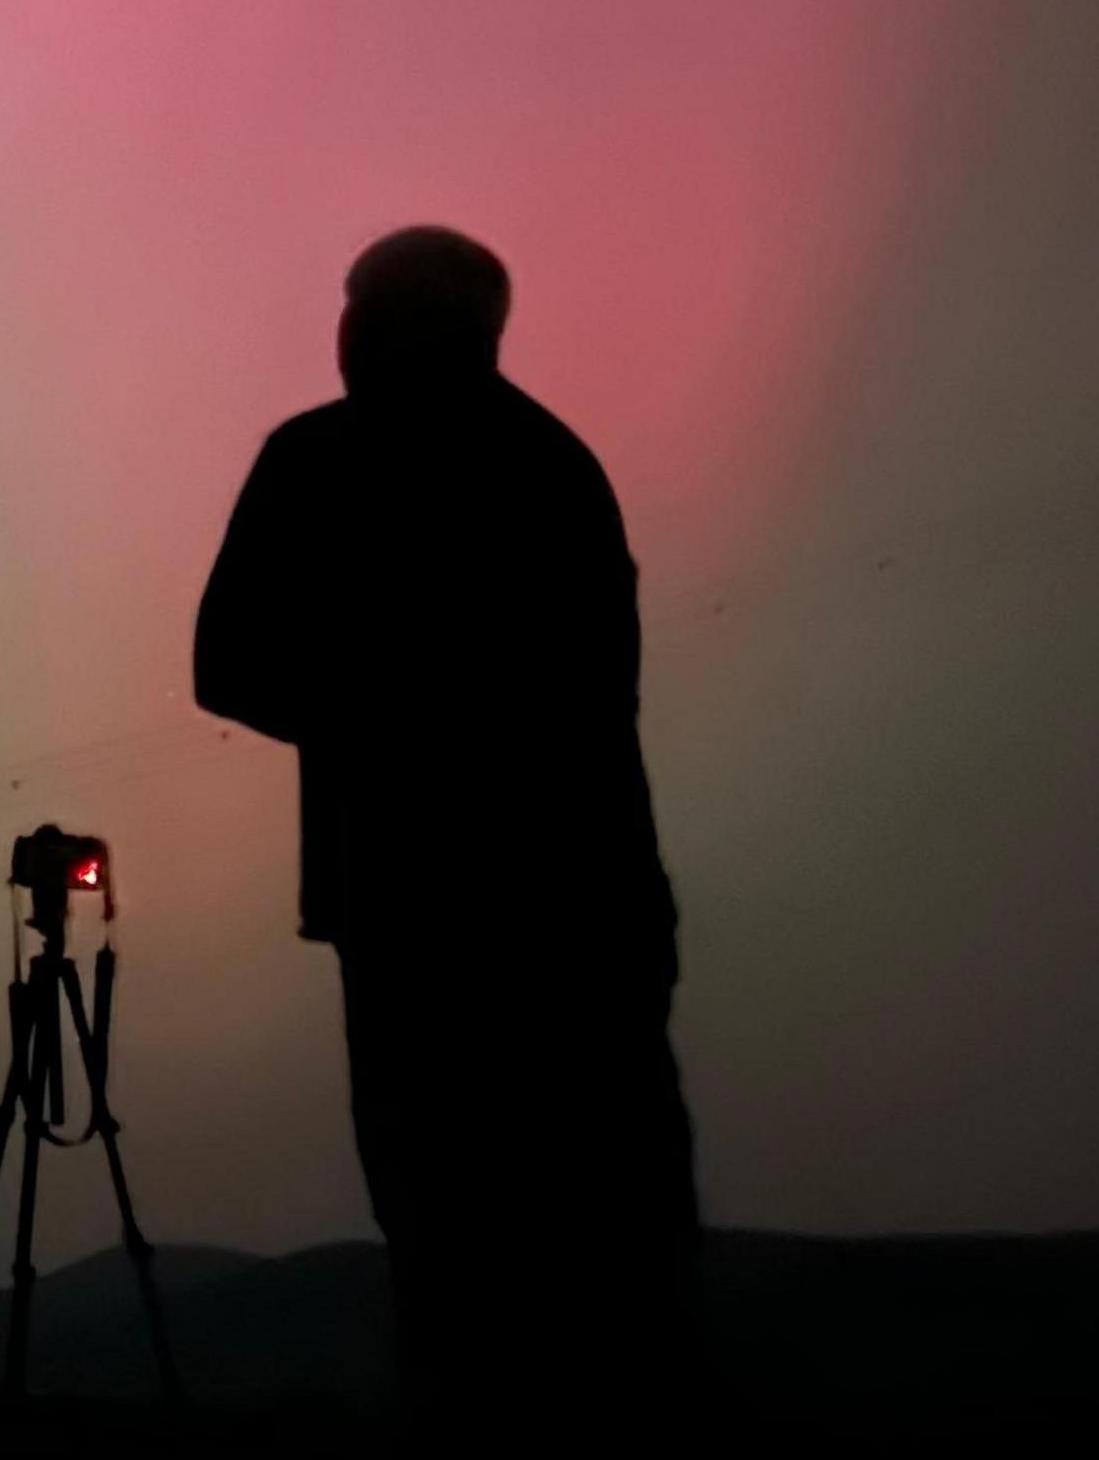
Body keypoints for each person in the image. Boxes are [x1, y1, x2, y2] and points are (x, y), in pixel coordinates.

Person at [193, 226, 701, 1433]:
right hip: (579, 907)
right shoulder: (553, 464)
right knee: (601, 1243)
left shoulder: (327, 460)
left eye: (361, 305)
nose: (349, 329)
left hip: (435, 913)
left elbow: (230, 664)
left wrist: (385, 720)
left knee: (456, 1237)